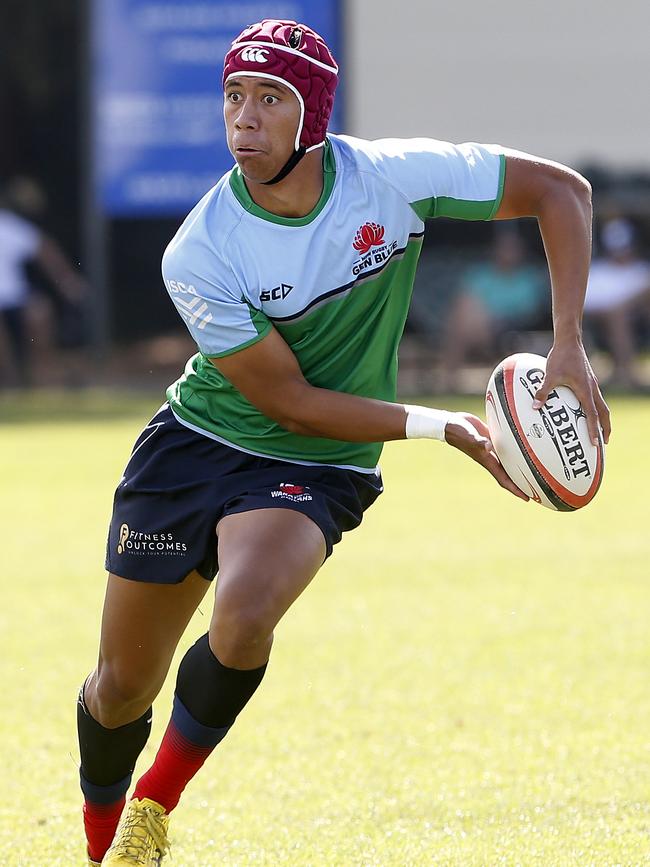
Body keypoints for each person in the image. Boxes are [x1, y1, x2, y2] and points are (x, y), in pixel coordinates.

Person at [76, 19, 611, 867]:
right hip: (199, 444)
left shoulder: (391, 179)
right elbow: (287, 399)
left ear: (312, 115)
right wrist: (442, 426)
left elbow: (563, 192)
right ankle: (97, 835)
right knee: (118, 691)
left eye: (269, 99)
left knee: (245, 616)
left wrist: (570, 339)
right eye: (233, 98)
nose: (243, 119)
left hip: (316, 462)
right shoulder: (202, 248)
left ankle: (152, 807)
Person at [0, 177, 87, 387]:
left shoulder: (7, 225)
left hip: (14, 296)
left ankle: (43, 377)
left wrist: (67, 281)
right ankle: (9, 382)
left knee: (40, 312)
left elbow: (45, 250)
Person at [440, 229, 548, 391]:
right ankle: (450, 382)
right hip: (482, 326)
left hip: (517, 327)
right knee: (464, 316)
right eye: (504, 248)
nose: (508, 253)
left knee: (466, 323)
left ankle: (449, 379)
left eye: (512, 249)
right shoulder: (480, 275)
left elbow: (532, 311)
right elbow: (465, 305)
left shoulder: (530, 278)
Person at [584, 218, 650, 389]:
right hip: (602, 327)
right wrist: (615, 312)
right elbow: (587, 306)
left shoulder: (642, 270)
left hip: (641, 323)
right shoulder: (598, 271)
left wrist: (627, 306)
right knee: (617, 317)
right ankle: (625, 374)